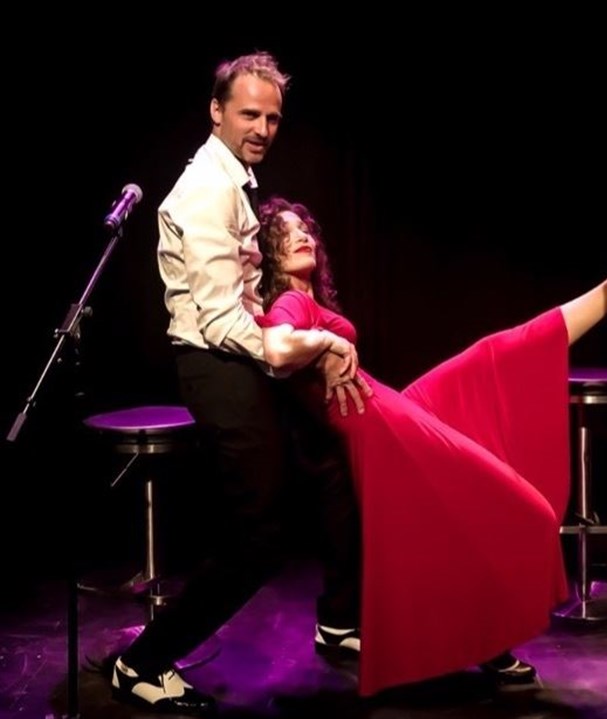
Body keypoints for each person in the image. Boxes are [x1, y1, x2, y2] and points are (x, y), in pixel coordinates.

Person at [255, 195, 607, 698]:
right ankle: (486, 636)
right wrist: (330, 342)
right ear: (269, 253)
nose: (302, 236)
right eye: (286, 233)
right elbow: (277, 350)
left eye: (305, 229)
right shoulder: (290, 302)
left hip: (387, 409)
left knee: (500, 353)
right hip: (379, 427)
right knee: (505, 506)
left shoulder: (309, 299)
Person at [110, 53, 370, 715]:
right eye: (249, 114)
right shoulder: (207, 187)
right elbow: (222, 320)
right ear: (216, 111)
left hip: (241, 359)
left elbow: (244, 301)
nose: (262, 128)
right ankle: (142, 663)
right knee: (259, 536)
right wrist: (307, 348)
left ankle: (340, 618)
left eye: (272, 118)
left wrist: (300, 350)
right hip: (218, 366)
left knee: (331, 467)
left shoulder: (235, 179)